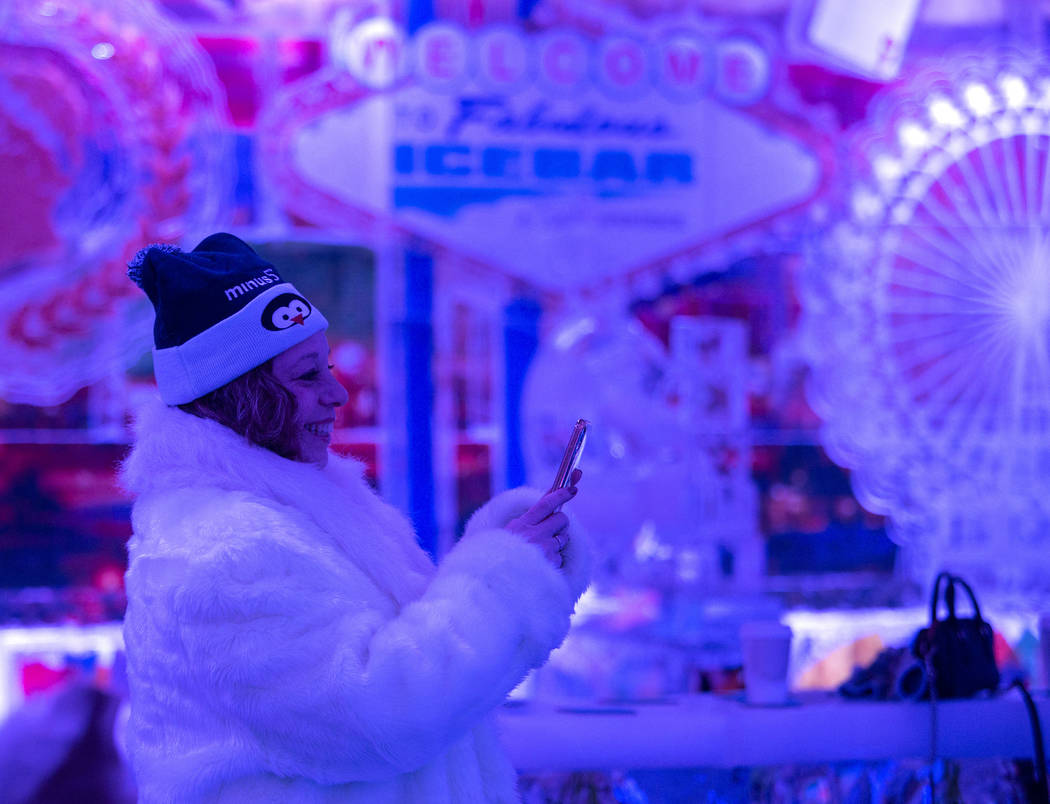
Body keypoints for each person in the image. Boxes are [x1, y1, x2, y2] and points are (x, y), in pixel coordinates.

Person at [120, 233, 590, 802]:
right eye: (307, 375)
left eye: (328, 369)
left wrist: (509, 552)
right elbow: (381, 717)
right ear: (241, 393)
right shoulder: (225, 548)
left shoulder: (286, 514)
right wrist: (506, 579)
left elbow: (396, 658)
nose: (337, 394)